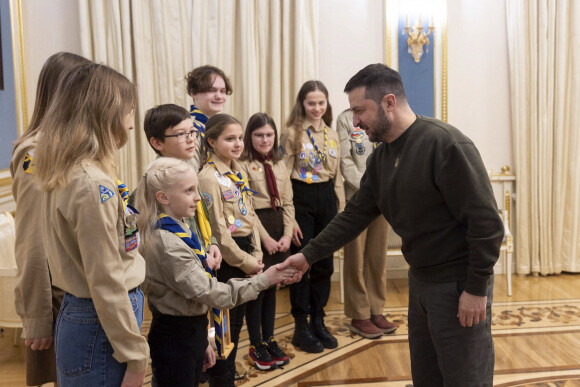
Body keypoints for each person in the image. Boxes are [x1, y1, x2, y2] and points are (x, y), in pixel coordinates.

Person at [279, 63, 504, 387]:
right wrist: (306, 256)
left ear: (388, 102)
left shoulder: (444, 144)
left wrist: (475, 288)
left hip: (458, 286)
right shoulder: (381, 159)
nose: (354, 121)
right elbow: (353, 216)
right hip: (422, 283)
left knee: (465, 379)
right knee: (427, 378)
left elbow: (487, 225)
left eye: (359, 110)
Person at [133, 157, 297, 386]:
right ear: (163, 197)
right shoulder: (168, 243)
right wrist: (264, 280)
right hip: (176, 337)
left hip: (189, 330)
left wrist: (202, 341)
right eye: (189, 191)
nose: (198, 197)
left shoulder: (177, 226)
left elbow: (192, 299)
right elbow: (214, 293)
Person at [34, 62, 149, 387]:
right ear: (105, 114)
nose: (130, 125)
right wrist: (136, 356)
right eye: (128, 113)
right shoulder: (90, 183)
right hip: (101, 322)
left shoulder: (64, 169)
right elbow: (105, 279)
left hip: (89, 316)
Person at [10, 52, 91, 387]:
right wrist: (37, 317)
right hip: (59, 298)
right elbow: (32, 239)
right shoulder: (37, 153)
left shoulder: (72, 145)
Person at [198, 114, 263, 386]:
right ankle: (221, 379)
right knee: (224, 330)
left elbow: (250, 216)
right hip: (228, 259)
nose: (237, 144)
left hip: (248, 251)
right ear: (212, 141)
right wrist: (248, 262)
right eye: (229, 139)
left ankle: (227, 375)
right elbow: (218, 233)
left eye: (239, 138)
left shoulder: (239, 170)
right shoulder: (208, 177)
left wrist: (258, 253)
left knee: (237, 326)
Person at [281, 80, 345, 353]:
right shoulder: (291, 133)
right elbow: (283, 176)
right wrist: (290, 218)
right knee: (302, 265)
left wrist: (340, 210)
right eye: (311, 103)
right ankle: (301, 325)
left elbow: (338, 176)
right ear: (302, 104)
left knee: (324, 265)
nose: (317, 108)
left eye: (321, 103)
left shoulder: (332, 134)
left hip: (327, 199)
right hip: (301, 198)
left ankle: (319, 319)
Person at [240, 113, 295, 369]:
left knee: (272, 288)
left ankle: (270, 338)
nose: (265, 140)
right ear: (250, 137)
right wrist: (266, 240)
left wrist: (286, 234)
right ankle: (255, 344)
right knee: (257, 290)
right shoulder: (241, 165)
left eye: (269, 135)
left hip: (278, 228)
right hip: (257, 231)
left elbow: (288, 203)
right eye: (259, 135)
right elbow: (247, 209)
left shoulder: (280, 164)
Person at [336, 108, 396, 339]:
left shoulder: (385, 116)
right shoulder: (346, 119)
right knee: (355, 259)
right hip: (358, 197)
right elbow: (345, 160)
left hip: (382, 197)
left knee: (377, 257)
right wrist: (367, 188)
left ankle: (376, 310)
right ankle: (359, 315)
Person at [143, 103, 222, 271]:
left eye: (193, 132)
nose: (191, 139)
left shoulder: (188, 172)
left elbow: (201, 216)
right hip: (181, 266)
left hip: (204, 260)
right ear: (157, 143)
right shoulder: (153, 182)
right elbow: (154, 233)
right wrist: (199, 254)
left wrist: (211, 243)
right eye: (181, 134)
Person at [185, 65, 233, 171]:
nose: (219, 96)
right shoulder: (188, 128)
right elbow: (191, 176)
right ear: (193, 92)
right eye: (212, 90)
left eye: (223, 91)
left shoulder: (218, 126)